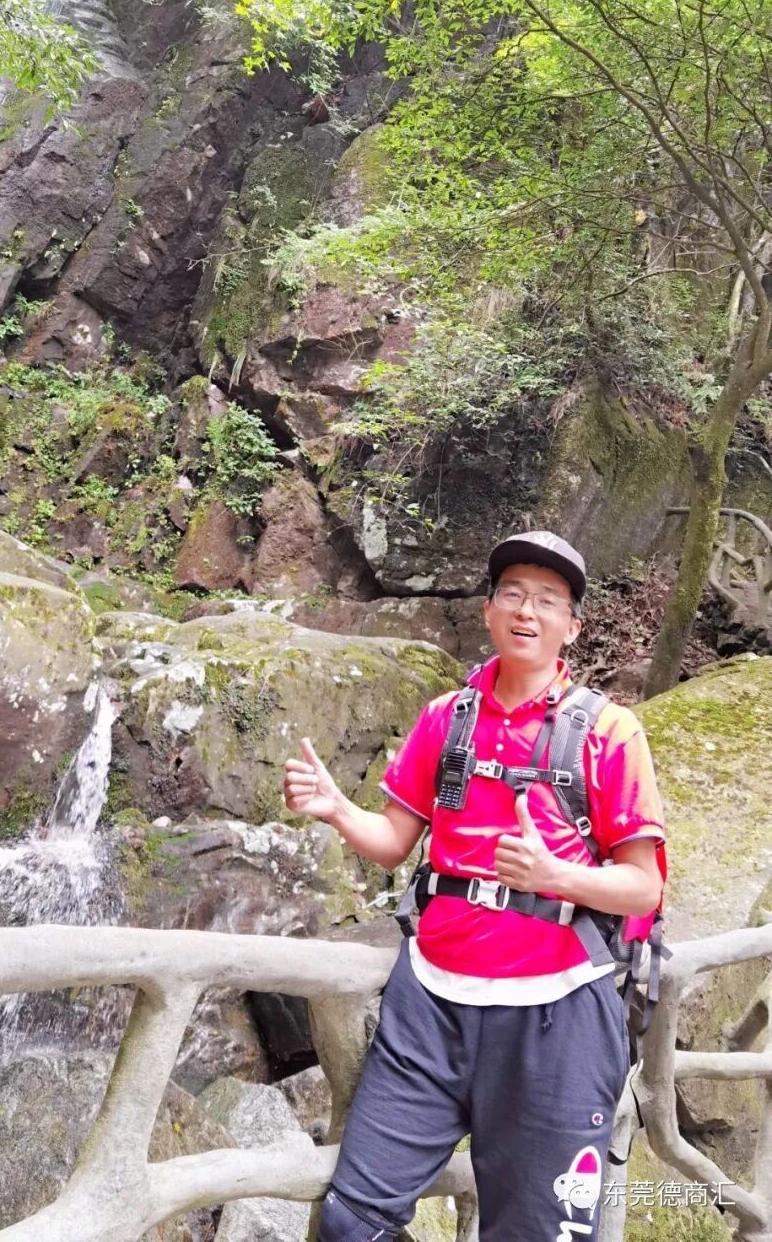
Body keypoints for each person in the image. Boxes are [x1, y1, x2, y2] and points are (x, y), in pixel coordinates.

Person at [283, 530, 666, 1242]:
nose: (526, 611)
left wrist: (555, 877)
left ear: (572, 627)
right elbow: (395, 840)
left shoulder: (611, 733)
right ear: (488, 610)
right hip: (430, 1002)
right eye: (512, 594)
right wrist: (337, 809)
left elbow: (644, 887)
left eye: (547, 600)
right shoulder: (446, 717)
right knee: (351, 1221)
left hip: (556, 1012)